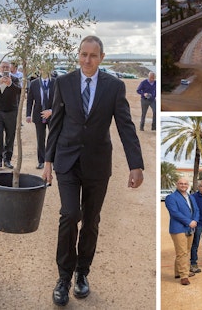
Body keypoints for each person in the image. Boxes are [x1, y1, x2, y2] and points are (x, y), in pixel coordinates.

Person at [42, 35, 144, 306]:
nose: (87, 60)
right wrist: (48, 162)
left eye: (93, 55)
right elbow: (56, 123)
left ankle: (82, 273)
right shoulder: (63, 83)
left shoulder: (114, 87)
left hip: (98, 164)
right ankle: (63, 278)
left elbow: (125, 126)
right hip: (67, 161)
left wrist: (136, 164)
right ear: (78, 54)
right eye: (83, 54)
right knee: (69, 214)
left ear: (102, 58)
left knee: (90, 221)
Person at [165, 178, 198, 286]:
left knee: (185, 251)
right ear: (176, 184)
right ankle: (184, 276)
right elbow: (174, 213)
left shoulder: (191, 197)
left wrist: (195, 221)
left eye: (185, 184)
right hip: (178, 228)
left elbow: (196, 210)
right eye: (181, 183)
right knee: (182, 252)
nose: (183, 185)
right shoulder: (171, 198)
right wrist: (189, 222)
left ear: (188, 185)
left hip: (190, 228)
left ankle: (178, 272)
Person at [0, 61, 21, 169]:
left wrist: (10, 84)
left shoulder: (15, 79)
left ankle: (7, 159)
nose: (5, 68)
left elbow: (19, 91)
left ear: (10, 68)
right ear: (0, 69)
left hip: (11, 111)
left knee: (10, 136)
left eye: (7, 67)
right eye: (3, 67)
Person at [26, 70, 56, 169]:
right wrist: (28, 115)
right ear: (39, 70)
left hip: (52, 114)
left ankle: (54, 161)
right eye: (42, 68)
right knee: (40, 139)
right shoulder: (34, 83)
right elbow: (30, 100)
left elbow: (59, 99)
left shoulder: (55, 82)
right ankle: (41, 161)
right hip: (38, 115)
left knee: (53, 138)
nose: (44, 71)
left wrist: (52, 110)